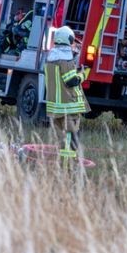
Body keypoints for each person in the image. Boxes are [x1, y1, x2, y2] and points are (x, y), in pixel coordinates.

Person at [44, 26, 89, 162]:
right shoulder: (66, 59)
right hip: (68, 105)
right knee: (73, 135)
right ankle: (70, 164)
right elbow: (71, 81)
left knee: (65, 135)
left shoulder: (51, 57)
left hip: (55, 106)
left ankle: (64, 161)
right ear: (69, 39)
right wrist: (84, 74)